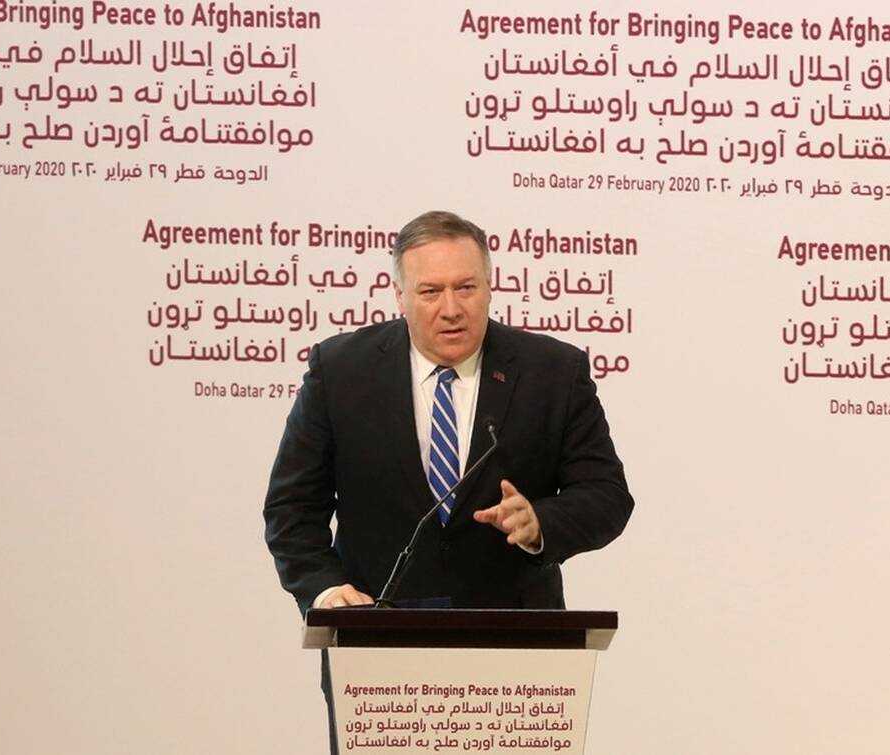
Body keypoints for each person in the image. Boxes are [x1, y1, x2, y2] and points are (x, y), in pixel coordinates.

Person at [263, 210, 634, 751]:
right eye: (431, 291)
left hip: (518, 659)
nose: (452, 308)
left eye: (466, 287)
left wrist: (540, 522)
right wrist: (324, 589)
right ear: (399, 296)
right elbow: (291, 508)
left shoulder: (553, 372)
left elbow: (607, 495)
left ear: (491, 286)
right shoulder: (340, 371)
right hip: (379, 659)